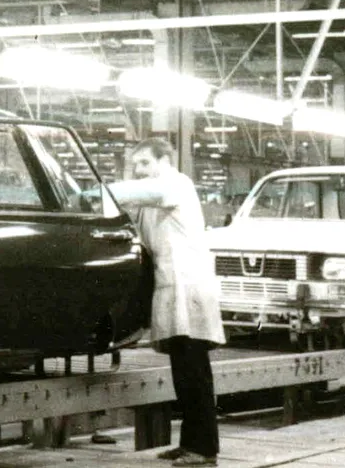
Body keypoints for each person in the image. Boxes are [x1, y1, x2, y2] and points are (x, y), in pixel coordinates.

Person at [103, 138, 224, 467]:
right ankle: (191, 444)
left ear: (163, 160)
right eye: (135, 165)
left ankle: (204, 450)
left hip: (189, 290)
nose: (139, 170)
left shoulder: (175, 184)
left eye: (144, 162)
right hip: (173, 290)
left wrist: (94, 190)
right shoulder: (154, 197)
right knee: (183, 373)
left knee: (194, 373)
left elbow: (128, 192)